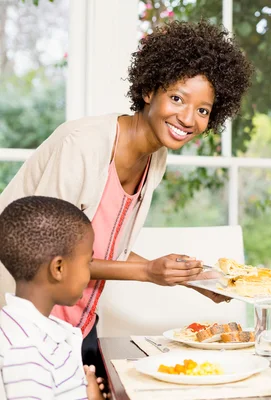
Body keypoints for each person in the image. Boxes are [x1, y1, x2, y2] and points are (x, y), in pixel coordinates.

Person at [0, 20, 253, 377]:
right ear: (150, 90)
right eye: (177, 98)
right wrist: (148, 272)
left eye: (202, 109)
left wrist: (196, 279)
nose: (187, 118)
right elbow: (49, 255)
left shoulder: (156, 157)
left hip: (75, 325)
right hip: (20, 327)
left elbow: (105, 249)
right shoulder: (83, 143)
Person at [0, 196, 105, 399]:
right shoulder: (27, 351)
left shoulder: (27, 329)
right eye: (88, 262)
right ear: (58, 268)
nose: (89, 273)